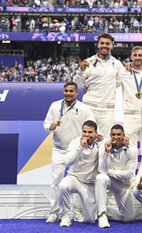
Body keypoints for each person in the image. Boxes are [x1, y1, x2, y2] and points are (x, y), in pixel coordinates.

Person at [44, 82, 95, 223]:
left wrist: (97, 137)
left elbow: (92, 125)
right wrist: (50, 127)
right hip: (59, 149)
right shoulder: (55, 106)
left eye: (71, 91)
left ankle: (77, 212)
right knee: (56, 181)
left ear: (77, 93)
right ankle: (54, 212)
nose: (68, 93)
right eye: (66, 91)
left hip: (77, 151)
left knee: (79, 181)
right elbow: (46, 124)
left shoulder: (84, 108)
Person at [73, 33, 124, 137]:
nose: (104, 46)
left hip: (108, 108)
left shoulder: (117, 64)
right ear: (98, 45)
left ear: (112, 45)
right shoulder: (88, 62)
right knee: (86, 137)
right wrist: (81, 71)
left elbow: (119, 82)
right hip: (89, 106)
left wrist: (109, 89)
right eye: (102, 43)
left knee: (105, 139)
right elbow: (75, 84)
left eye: (107, 43)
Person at [58, 120, 101, 227]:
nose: (87, 135)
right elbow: (68, 161)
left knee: (90, 220)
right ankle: (65, 216)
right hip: (74, 178)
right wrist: (80, 148)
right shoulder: (75, 143)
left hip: (90, 184)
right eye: (84, 132)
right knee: (63, 185)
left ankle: (104, 210)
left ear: (96, 133)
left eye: (90, 132)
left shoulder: (101, 144)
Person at [95, 124, 138, 228]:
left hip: (123, 184)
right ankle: (102, 214)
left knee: (129, 218)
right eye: (113, 134)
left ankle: (108, 210)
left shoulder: (132, 149)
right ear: (110, 135)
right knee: (100, 178)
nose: (116, 137)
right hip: (108, 180)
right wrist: (106, 152)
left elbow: (129, 175)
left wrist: (110, 172)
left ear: (124, 135)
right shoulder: (104, 146)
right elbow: (102, 170)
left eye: (119, 134)